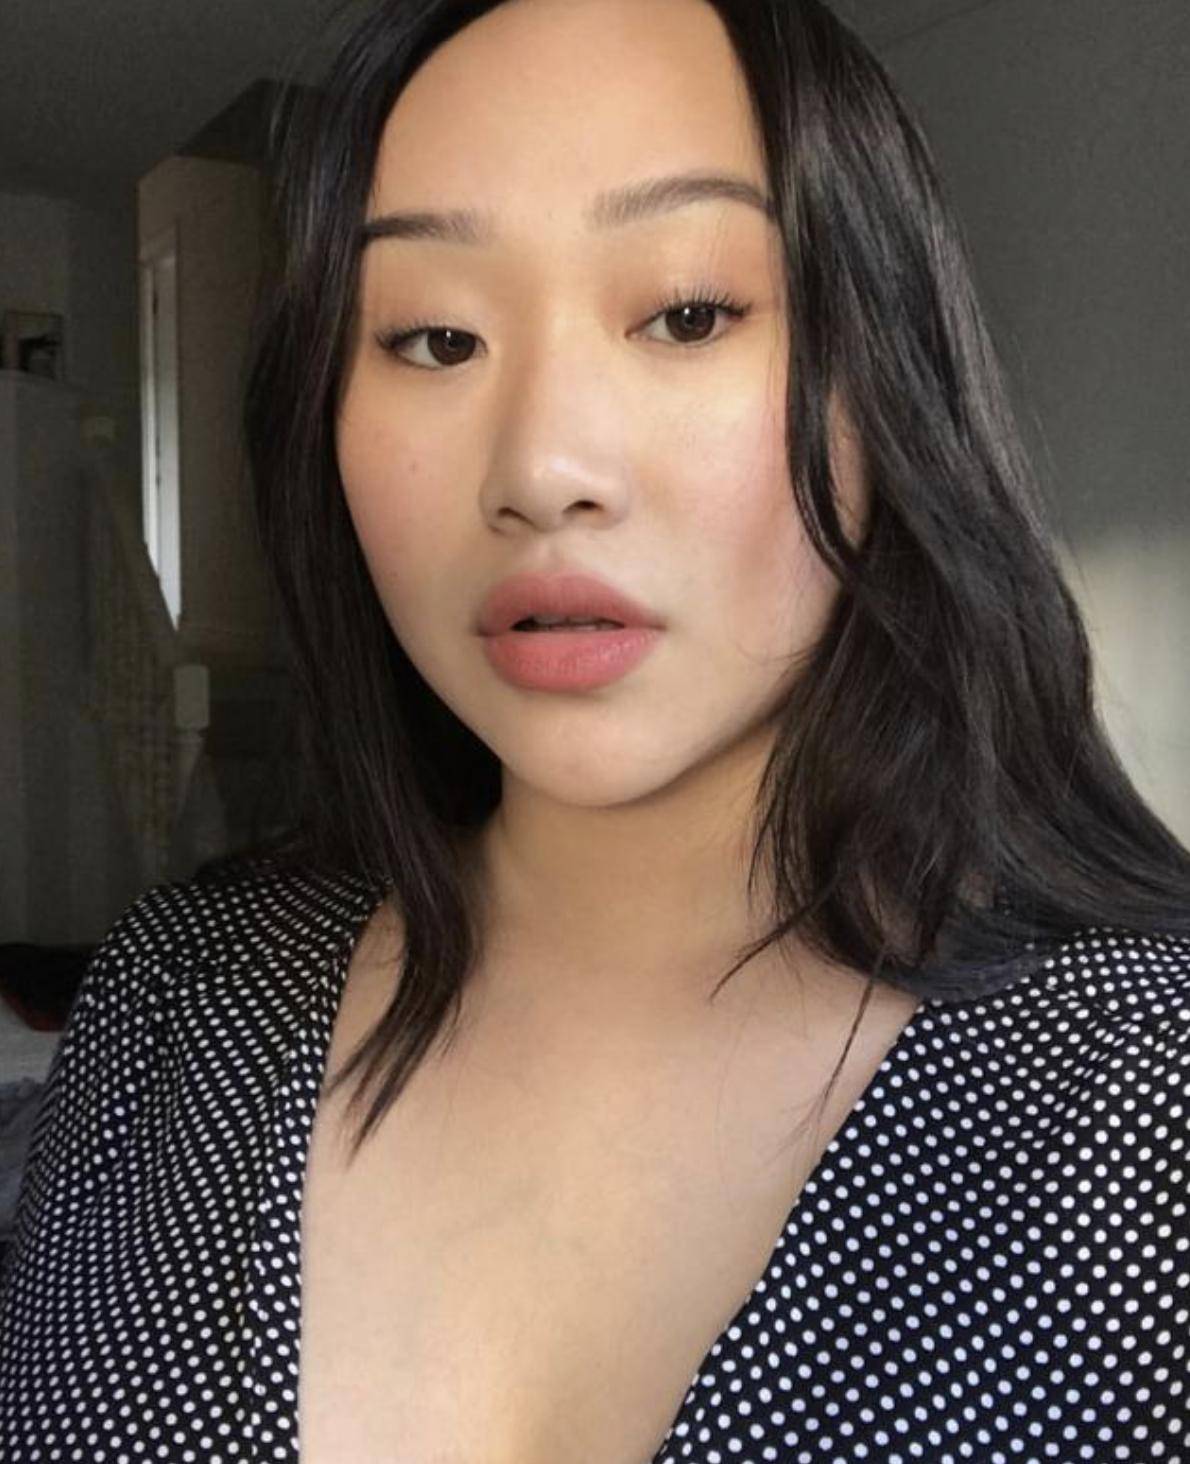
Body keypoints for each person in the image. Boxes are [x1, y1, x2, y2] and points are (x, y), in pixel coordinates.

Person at [2, 0, 1188, 1459]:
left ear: (885, 380)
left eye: (687, 313)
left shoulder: (1145, 1096)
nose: (543, 466)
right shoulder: (176, 998)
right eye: (435, 336)